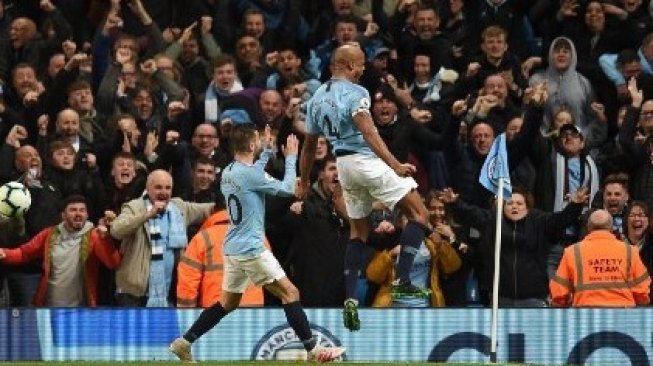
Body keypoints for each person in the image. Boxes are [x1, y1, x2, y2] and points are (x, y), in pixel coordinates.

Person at [169, 125, 345, 363]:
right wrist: (291, 157)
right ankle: (314, 350)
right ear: (252, 145)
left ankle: (184, 342)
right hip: (251, 248)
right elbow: (286, 189)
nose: (261, 142)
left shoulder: (230, 172)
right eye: (258, 141)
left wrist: (266, 154)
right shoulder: (249, 175)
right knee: (290, 292)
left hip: (233, 247)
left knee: (227, 303)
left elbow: (253, 175)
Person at [298, 43, 432, 331]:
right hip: (366, 161)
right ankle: (403, 281)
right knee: (420, 215)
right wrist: (395, 164)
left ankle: (350, 299)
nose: (362, 70)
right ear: (347, 66)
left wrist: (305, 180)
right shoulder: (357, 93)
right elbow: (369, 132)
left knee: (359, 232)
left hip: (344, 167)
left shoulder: (317, 97)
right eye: (359, 65)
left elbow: (309, 147)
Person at [109, 169, 214, 307]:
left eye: (167, 188)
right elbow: (116, 230)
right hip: (133, 294)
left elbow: (209, 209)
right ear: (148, 188)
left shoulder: (178, 208)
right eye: (158, 187)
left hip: (167, 293)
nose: (163, 192)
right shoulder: (134, 207)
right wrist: (147, 215)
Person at [0, 195, 120, 307]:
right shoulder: (49, 234)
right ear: (63, 215)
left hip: (81, 309)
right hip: (49, 307)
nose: (78, 214)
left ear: (87, 215)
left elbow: (112, 263)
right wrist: (4, 254)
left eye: (82, 210)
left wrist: (105, 239)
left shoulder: (95, 236)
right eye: (73, 210)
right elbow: (24, 253)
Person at [550, 209, 651, 308]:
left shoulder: (572, 252)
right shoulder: (630, 251)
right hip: (621, 317)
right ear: (611, 228)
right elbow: (642, 292)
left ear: (588, 228)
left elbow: (559, 294)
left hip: (586, 316)